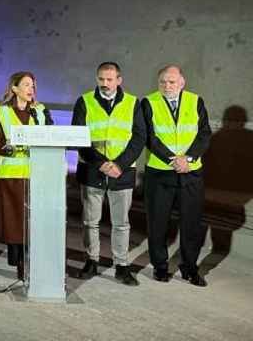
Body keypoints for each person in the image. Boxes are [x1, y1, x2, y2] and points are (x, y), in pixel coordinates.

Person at [72, 62, 146, 286]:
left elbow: (139, 137)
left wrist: (120, 165)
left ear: (119, 80)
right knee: (90, 221)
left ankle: (122, 266)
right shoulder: (84, 101)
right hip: (93, 170)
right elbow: (78, 135)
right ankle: (91, 260)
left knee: (121, 223)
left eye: (110, 79)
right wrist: (101, 163)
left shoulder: (133, 103)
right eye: (101, 79)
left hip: (121, 172)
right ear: (97, 79)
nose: (105, 84)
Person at [142, 64, 212, 287]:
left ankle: (190, 268)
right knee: (158, 223)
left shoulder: (195, 101)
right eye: (163, 82)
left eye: (172, 82)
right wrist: (173, 159)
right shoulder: (148, 102)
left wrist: (188, 159)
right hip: (161, 174)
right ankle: (160, 267)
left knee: (191, 224)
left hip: (190, 173)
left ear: (182, 83)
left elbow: (204, 134)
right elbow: (149, 137)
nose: (167, 86)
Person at [0, 71, 53, 281]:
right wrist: (8, 149)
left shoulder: (41, 111)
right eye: (26, 85)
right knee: (15, 221)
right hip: (12, 176)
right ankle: (18, 263)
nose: (30, 89)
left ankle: (32, 261)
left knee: (33, 221)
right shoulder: (3, 112)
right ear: (14, 88)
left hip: (37, 176)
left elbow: (51, 135)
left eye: (33, 85)